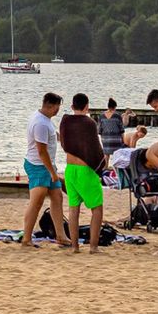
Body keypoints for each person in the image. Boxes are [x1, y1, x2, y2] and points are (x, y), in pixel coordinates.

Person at [57, 93, 108, 253]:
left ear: (72, 106)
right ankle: (93, 247)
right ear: (87, 107)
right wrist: (102, 165)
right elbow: (94, 147)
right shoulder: (89, 123)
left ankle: (75, 247)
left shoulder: (65, 121)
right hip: (85, 170)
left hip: (70, 169)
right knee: (97, 209)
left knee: (73, 208)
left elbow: (65, 143)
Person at [21, 93, 66, 250]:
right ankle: (26, 238)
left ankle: (61, 235)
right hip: (38, 165)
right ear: (52, 106)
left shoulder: (45, 120)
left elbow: (52, 136)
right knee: (37, 201)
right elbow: (42, 151)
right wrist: (53, 173)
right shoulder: (40, 123)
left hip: (48, 165)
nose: (58, 110)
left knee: (57, 197)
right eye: (57, 107)